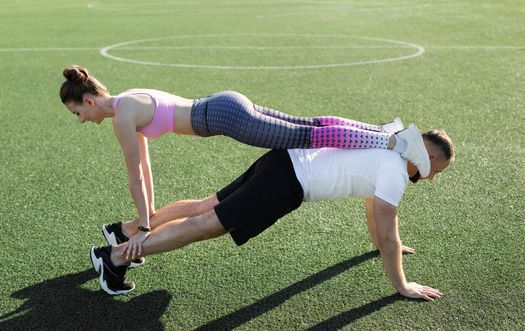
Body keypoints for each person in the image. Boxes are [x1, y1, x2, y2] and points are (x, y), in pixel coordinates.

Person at [60, 64, 430, 267]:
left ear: (89, 101)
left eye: (77, 112)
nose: (80, 120)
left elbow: (134, 174)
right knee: (312, 126)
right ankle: (386, 134)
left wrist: (144, 225)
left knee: (313, 134)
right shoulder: (127, 102)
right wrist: (144, 222)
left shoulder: (123, 116)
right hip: (226, 107)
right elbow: (145, 170)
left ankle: (389, 138)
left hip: (226, 118)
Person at [90, 129, 454, 301]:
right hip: (287, 183)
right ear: (430, 158)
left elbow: (375, 211)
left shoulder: (389, 144)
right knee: (207, 224)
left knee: (206, 209)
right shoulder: (395, 170)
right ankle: (116, 257)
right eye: (438, 171)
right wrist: (403, 285)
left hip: (283, 160)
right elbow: (387, 232)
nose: (433, 178)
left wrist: (386, 245)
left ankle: (124, 235)